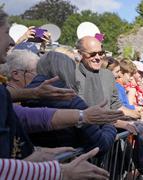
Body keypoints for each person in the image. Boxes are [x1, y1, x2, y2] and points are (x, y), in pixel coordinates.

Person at [0, 9, 108, 179]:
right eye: (6, 32)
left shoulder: (13, 94)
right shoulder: (71, 99)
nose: (12, 40)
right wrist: (59, 171)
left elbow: (24, 116)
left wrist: (36, 153)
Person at [75, 36, 140, 119]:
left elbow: (116, 106)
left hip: (108, 127)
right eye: (92, 54)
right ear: (80, 54)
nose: (98, 57)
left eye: (101, 53)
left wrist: (140, 116)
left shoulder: (108, 75)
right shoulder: (72, 75)